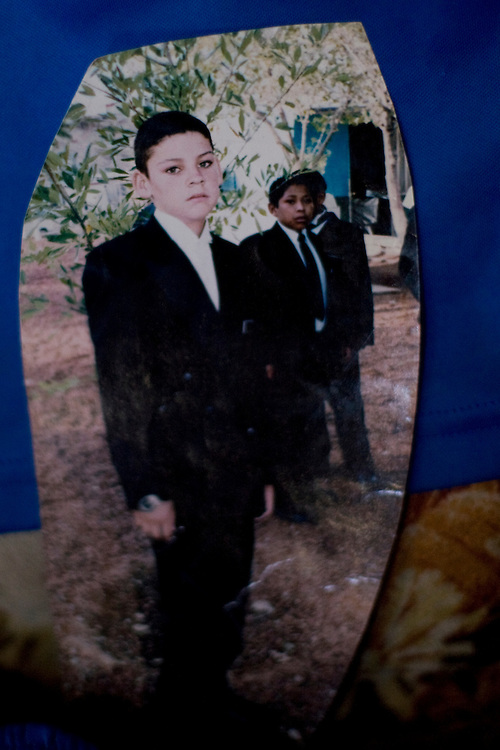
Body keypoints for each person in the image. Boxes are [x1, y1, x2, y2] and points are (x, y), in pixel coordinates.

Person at [82, 111, 276, 746]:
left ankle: (215, 700)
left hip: (235, 466)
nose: (195, 178)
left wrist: (263, 473)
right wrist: (145, 489)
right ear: (144, 185)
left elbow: (252, 379)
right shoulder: (120, 266)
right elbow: (123, 390)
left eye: (205, 162)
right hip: (176, 471)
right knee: (186, 600)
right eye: (173, 169)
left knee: (230, 591)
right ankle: (181, 720)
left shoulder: (238, 260)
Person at [239, 173, 350, 521]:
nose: (301, 208)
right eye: (290, 201)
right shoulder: (259, 249)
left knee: (313, 424)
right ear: (273, 208)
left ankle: (312, 488)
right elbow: (253, 311)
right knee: (286, 430)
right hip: (283, 359)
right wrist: (266, 358)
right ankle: (289, 501)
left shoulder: (313, 243)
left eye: (306, 200)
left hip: (316, 354)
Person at [304, 171, 376, 483]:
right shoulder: (289, 236)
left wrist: (356, 339)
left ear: (320, 199)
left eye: (305, 198)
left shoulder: (347, 234)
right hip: (305, 342)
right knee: (309, 409)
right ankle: (317, 470)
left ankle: (360, 468)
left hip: (339, 340)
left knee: (348, 406)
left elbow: (359, 291)